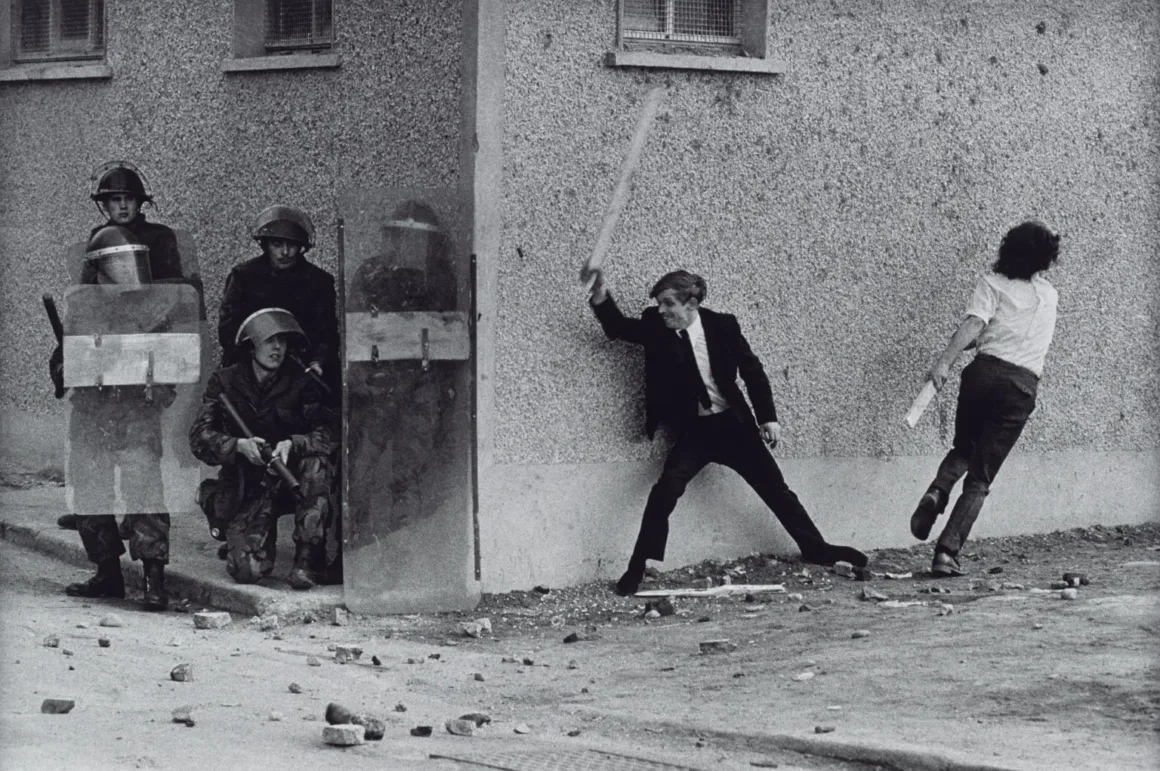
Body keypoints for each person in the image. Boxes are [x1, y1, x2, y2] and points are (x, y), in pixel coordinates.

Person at [588, 268, 868, 596]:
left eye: (668, 303)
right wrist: (600, 296)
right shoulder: (656, 327)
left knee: (777, 490)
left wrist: (768, 418)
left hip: (734, 427)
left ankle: (816, 548)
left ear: (691, 303)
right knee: (665, 491)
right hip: (695, 432)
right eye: (659, 304)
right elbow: (618, 328)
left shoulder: (723, 326)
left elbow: (753, 371)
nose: (661, 310)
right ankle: (637, 567)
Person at [909, 221, 1061, 577]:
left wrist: (944, 362)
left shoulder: (991, 284)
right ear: (1044, 259)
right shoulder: (1049, 296)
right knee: (981, 477)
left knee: (963, 448)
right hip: (1020, 386)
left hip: (983, 375)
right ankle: (946, 553)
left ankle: (937, 490)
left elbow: (976, 325)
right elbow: (1012, 330)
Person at [53, 225, 179, 611]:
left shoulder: (153, 307)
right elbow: (64, 357)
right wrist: (64, 368)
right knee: (91, 497)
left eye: (132, 262)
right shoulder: (82, 307)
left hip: (135, 413)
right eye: (118, 263)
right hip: (92, 413)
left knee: (145, 496)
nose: (128, 270)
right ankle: (107, 574)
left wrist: (158, 391)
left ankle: (154, 579)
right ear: (99, 270)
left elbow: (170, 359)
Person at [56, 161, 187, 533]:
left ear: (140, 202)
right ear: (105, 205)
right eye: (115, 200)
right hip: (108, 339)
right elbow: (87, 294)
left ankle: (138, 515)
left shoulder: (160, 237)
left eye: (129, 198)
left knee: (141, 450)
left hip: (149, 337)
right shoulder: (100, 236)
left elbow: (172, 293)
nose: (123, 207)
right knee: (95, 446)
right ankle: (95, 512)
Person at [190, 308, 339, 589]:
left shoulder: (301, 381)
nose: (277, 348)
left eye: (282, 341)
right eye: (270, 341)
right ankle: (214, 502)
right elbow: (199, 436)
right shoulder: (225, 382)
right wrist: (237, 446)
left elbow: (330, 431)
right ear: (251, 345)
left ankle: (307, 560)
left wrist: (294, 444)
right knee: (248, 571)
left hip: (291, 480)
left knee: (316, 462)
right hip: (249, 484)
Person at [345, 200, 458, 549]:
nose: (409, 244)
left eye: (416, 238)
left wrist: (441, 389)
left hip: (421, 388)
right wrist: (359, 376)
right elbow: (357, 330)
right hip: (378, 387)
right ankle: (355, 541)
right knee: (360, 469)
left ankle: (402, 547)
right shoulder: (371, 274)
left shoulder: (440, 279)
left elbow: (448, 337)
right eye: (402, 236)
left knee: (409, 471)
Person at [217, 206, 339, 395]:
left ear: (302, 247)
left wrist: (318, 361)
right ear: (265, 245)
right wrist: (255, 361)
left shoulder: (319, 281)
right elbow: (229, 329)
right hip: (255, 367)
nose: (285, 252)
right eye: (277, 244)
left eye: (292, 244)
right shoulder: (244, 276)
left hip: (303, 369)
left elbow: (327, 331)